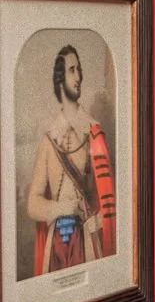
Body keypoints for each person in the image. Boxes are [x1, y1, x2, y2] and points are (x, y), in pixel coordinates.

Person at [27, 44, 116, 276]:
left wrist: (95, 222)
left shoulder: (93, 132)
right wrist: (59, 208)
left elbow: (108, 201)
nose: (78, 77)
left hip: (88, 242)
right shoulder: (49, 140)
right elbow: (32, 204)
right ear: (60, 79)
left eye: (79, 70)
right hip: (56, 247)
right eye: (71, 70)